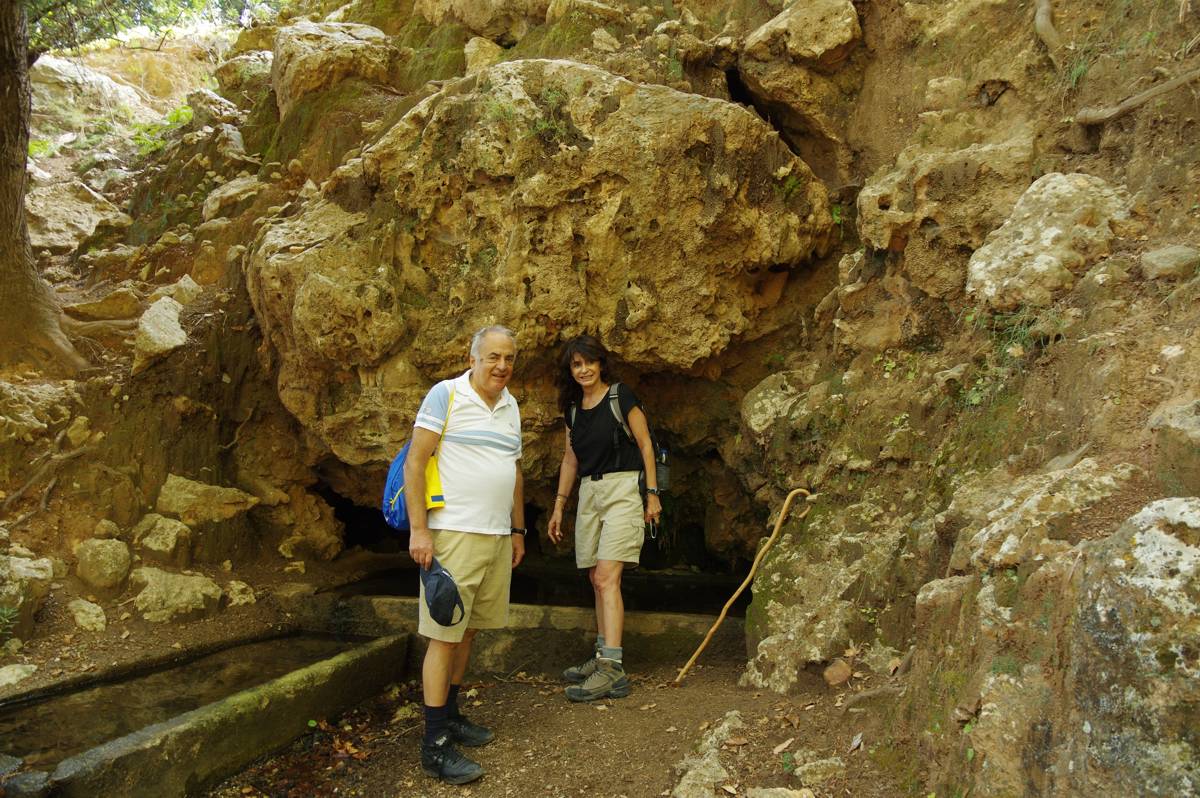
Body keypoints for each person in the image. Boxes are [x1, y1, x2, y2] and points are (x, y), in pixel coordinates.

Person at [405, 325, 526, 785]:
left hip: (495, 536)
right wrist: (420, 530)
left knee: (469, 631)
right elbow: (417, 461)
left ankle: (451, 715)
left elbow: (514, 471)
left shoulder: (511, 404)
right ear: (472, 357)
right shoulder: (446, 394)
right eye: (493, 356)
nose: (501, 366)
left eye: (509, 358)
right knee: (444, 636)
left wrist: (517, 529)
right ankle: (434, 745)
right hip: (452, 533)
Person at [547, 335, 662, 702]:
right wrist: (559, 505)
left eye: (589, 362)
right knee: (597, 579)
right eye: (576, 365)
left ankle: (613, 670)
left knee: (608, 576)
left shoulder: (620, 396)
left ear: (601, 363)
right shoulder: (574, 410)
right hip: (590, 495)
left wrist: (653, 494)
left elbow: (646, 445)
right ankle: (602, 658)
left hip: (623, 490)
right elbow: (570, 459)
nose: (583, 370)